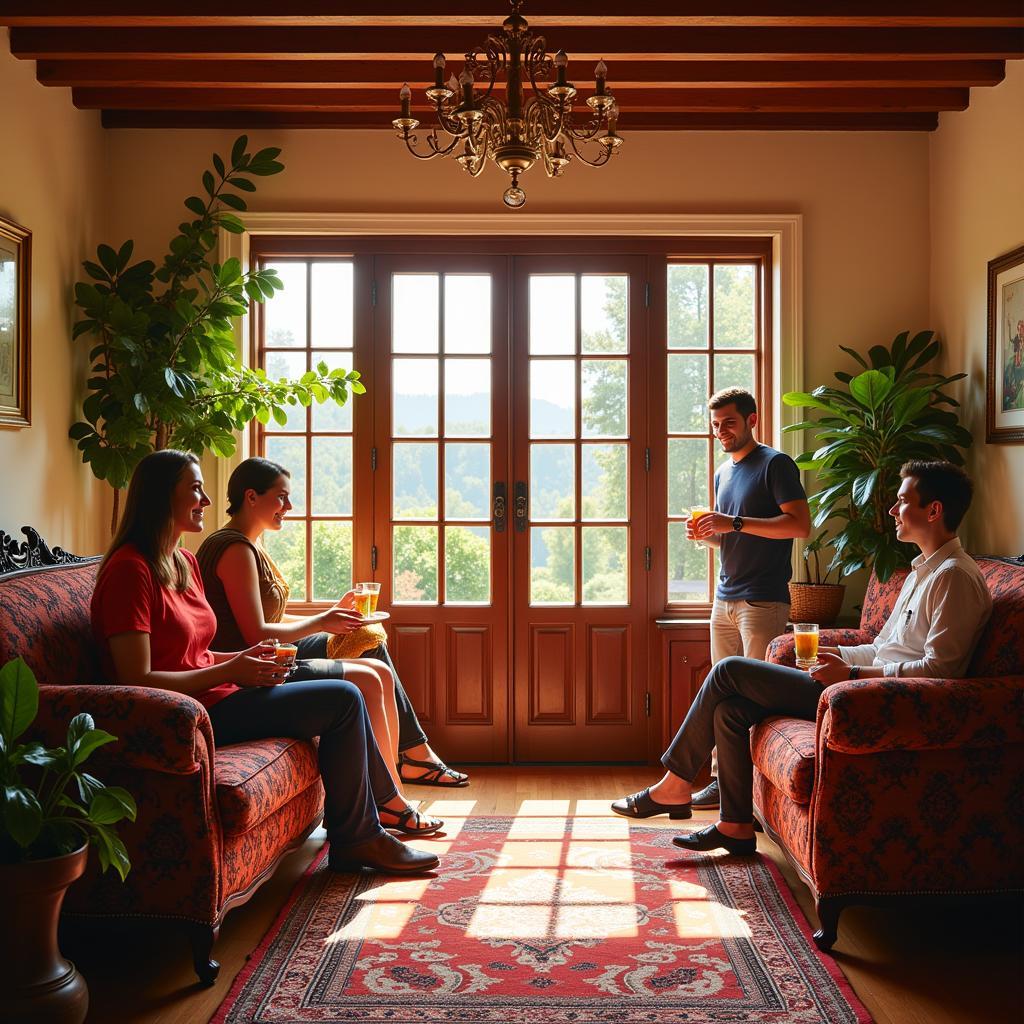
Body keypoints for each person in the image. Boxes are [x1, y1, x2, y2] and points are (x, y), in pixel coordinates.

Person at [613, 460, 992, 854]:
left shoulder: (954, 577)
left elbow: (942, 669)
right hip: (860, 681)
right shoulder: (919, 573)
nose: (893, 511)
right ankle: (736, 826)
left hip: (874, 700)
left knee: (728, 670)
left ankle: (675, 783)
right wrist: (838, 653)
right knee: (731, 710)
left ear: (934, 510)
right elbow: (884, 644)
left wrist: (854, 671)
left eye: (901, 502)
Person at [90, 449, 440, 874]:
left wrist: (243, 660)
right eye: (195, 489)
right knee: (345, 698)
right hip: (193, 714)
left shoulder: (180, 561)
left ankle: (367, 827)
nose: (204, 500)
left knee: (351, 687)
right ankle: (362, 837)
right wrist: (232, 669)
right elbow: (136, 678)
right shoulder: (131, 572)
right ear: (162, 497)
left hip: (223, 691)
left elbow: (197, 651)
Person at [195, 458, 466, 815]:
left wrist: (331, 617)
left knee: (365, 634)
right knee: (370, 666)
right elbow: (256, 633)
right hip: (254, 662)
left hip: (269, 649)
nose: (288, 507)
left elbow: (269, 618)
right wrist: (323, 621)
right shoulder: (235, 550)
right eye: (281, 498)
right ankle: (402, 776)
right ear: (251, 497)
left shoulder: (250, 544)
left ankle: (404, 771)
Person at [683, 387, 810, 810]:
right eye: (716, 425)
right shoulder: (724, 472)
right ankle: (723, 784)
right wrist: (711, 535)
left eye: (729, 423)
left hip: (762, 601)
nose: (722, 431)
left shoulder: (775, 464)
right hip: (724, 600)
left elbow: (798, 526)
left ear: (752, 420)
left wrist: (732, 522)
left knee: (754, 700)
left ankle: (753, 795)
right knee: (721, 696)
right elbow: (736, 536)